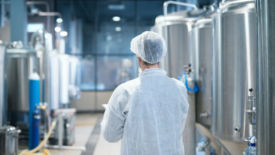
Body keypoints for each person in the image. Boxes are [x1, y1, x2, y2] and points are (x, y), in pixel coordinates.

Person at [101, 31, 189, 155]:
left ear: (139, 58)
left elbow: (110, 135)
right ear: (161, 55)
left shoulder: (126, 91)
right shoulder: (179, 88)